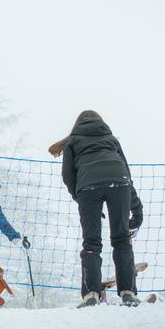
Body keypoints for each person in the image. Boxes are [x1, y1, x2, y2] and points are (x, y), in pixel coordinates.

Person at [49, 110, 144, 307]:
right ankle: (128, 293)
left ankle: (91, 295)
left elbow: (68, 176)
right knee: (122, 239)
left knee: (91, 244)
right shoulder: (111, 139)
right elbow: (125, 173)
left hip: (88, 188)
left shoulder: (72, 141)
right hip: (120, 185)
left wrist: (80, 198)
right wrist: (137, 209)